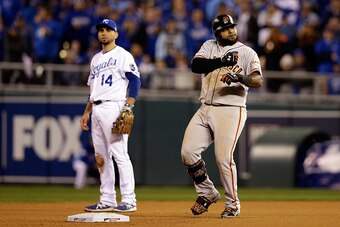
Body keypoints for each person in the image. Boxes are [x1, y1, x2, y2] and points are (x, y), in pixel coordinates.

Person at [180, 14, 263, 218]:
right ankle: (207, 192)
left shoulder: (247, 52)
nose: (231, 31)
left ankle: (233, 204)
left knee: (223, 158)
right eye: (226, 29)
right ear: (217, 33)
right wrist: (220, 61)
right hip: (205, 108)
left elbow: (258, 80)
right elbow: (196, 66)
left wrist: (239, 77)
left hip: (231, 109)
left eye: (232, 27)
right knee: (188, 153)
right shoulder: (209, 46)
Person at [80, 18, 141, 212]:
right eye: (101, 30)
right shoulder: (95, 59)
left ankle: (129, 200)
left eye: (108, 30)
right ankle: (107, 199)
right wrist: (86, 113)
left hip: (114, 107)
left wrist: (128, 107)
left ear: (116, 34)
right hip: (96, 109)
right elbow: (93, 90)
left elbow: (135, 81)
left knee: (119, 154)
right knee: (101, 157)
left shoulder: (123, 55)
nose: (103, 33)